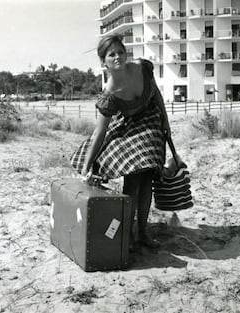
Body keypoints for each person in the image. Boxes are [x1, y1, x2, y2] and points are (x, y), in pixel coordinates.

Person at [70, 34, 171, 251]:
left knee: (147, 177)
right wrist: (87, 167)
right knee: (133, 179)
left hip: (151, 119)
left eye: (121, 52)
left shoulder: (142, 68)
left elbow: (157, 97)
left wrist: (167, 126)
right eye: (111, 54)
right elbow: (100, 132)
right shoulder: (109, 93)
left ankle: (142, 232)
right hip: (127, 124)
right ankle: (127, 234)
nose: (118, 57)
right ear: (103, 62)